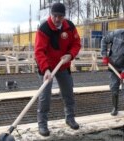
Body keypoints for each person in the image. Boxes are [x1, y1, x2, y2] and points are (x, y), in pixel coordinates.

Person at [35, 2, 81, 136]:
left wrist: (70, 55)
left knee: (68, 93)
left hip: (63, 65)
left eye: (60, 16)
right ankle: (42, 124)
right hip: (47, 67)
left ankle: (70, 118)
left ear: (64, 16)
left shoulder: (70, 27)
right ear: (51, 14)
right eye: (54, 15)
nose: (56, 19)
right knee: (45, 96)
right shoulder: (44, 28)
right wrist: (46, 69)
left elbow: (76, 44)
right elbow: (39, 51)